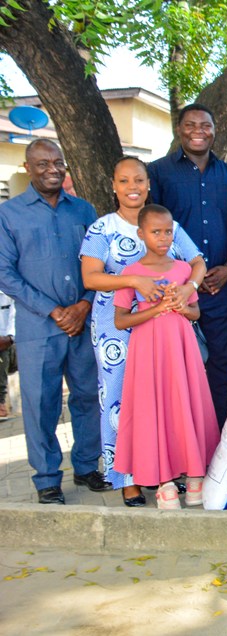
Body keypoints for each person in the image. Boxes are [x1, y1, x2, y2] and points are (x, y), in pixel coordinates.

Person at [81, 155, 206, 507]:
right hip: (116, 330)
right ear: (113, 186)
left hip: (163, 329)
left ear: (148, 184)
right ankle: (127, 479)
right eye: (124, 181)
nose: (132, 187)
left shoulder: (168, 225)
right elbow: (90, 278)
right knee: (118, 400)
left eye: (138, 179)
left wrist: (189, 287)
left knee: (162, 397)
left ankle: (166, 467)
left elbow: (197, 262)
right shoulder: (102, 229)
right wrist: (134, 280)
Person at [0, 140, 105, 504]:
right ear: (27, 167)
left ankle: (87, 466)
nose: (52, 169)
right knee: (41, 403)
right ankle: (46, 478)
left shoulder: (84, 210)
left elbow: (102, 263)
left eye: (58, 162)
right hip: (39, 327)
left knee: (88, 395)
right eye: (43, 163)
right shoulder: (9, 214)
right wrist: (54, 310)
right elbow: (5, 273)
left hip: (83, 322)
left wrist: (84, 304)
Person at [112, 205, 220, 509]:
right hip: (147, 350)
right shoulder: (130, 273)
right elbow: (120, 320)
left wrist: (181, 306)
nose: (163, 238)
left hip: (182, 347)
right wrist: (157, 309)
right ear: (141, 234)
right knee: (155, 410)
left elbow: (195, 313)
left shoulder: (184, 270)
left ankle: (195, 478)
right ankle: (165, 484)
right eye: (155, 232)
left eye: (168, 232)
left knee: (186, 405)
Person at [148, 103, 227, 429]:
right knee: (176, 370)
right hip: (175, 292)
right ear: (179, 129)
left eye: (205, 125)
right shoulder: (158, 172)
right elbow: (152, 230)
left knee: (222, 367)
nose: (198, 131)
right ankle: (183, 439)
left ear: (214, 131)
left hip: (221, 288)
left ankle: (218, 439)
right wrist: (184, 276)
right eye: (190, 125)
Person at [0, 291, 15, 419]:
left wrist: (10, 338)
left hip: (12, 343)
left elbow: (16, 316)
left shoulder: (7, 291)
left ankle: (0, 401)